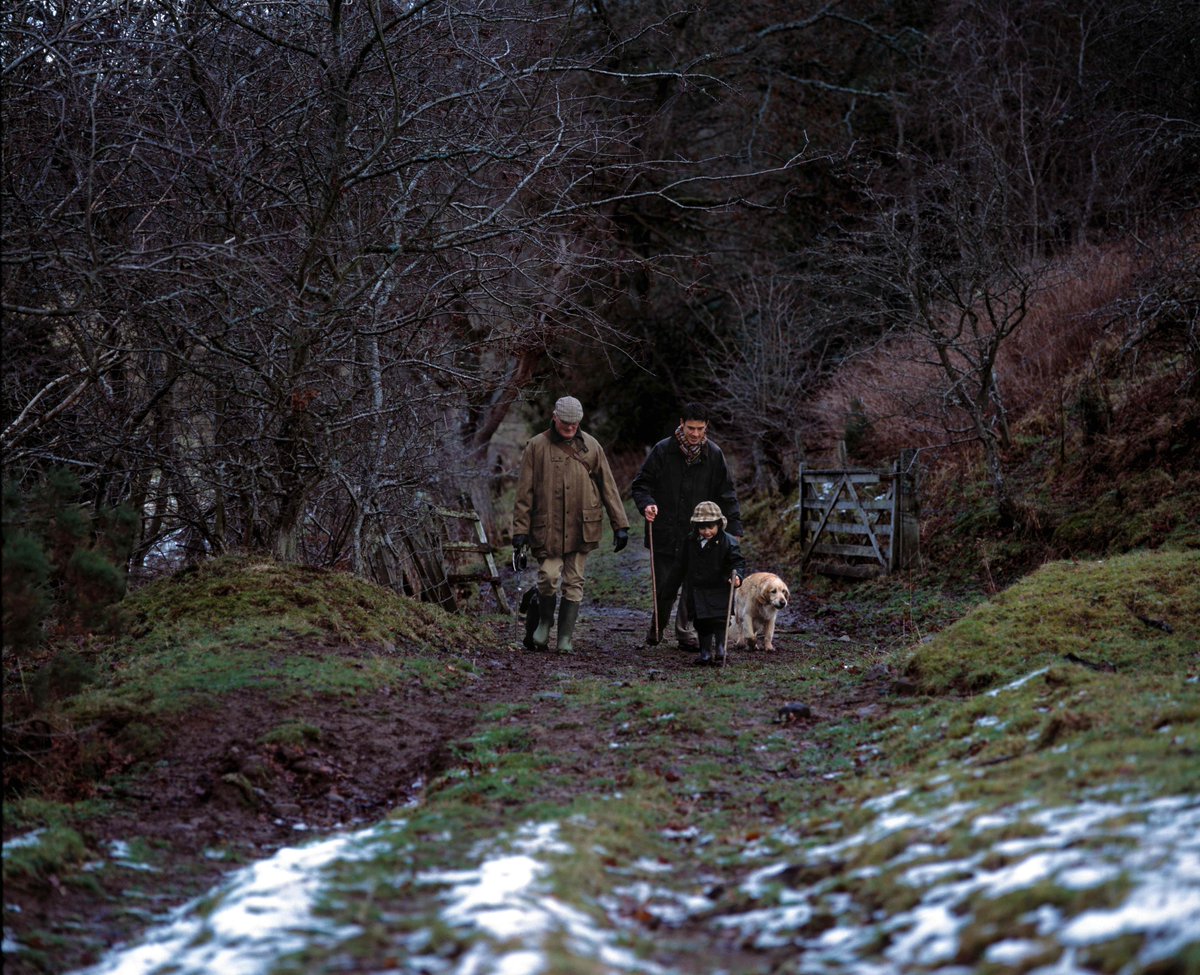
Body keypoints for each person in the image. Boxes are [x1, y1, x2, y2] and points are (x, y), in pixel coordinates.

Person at [511, 395, 629, 652]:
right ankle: (543, 622)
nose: (570, 428)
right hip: (547, 528)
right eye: (565, 423)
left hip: (581, 526)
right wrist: (520, 531)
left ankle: (565, 638)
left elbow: (608, 486)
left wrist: (620, 524)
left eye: (575, 424)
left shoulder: (592, 445)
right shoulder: (536, 446)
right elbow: (524, 494)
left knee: (574, 581)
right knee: (548, 576)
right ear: (554, 417)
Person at [630, 401, 743, 649]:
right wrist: (647, 504)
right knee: (665, 587)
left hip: (699, 535)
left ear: (706, 427)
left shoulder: (714, 454)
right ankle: (657, 628)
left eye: (700, 429)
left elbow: (727, 493)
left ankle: (685, 633)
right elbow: (641, 484)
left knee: (693, 587)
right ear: (681, 424)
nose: (694, 434)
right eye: (690, 428)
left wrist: (734, 528)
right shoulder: (662, 451)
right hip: (665, 533)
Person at [673, 501, 744, 665]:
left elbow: (738, 562)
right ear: (696, 526)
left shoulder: (729, 541)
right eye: (702, 528)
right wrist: (672, 584)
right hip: (698, 589)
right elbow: (681, 564)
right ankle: (705, 652)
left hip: (720, 586)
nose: (707, 532)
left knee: (719, 620)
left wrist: (737, 576)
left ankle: (720, 648)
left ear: (719, 524)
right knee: (702, 622)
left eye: (710, 527)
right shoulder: (690, 541)